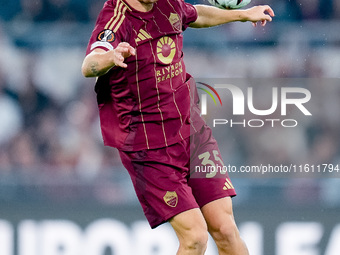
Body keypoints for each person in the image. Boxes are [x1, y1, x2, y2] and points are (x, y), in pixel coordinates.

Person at [82, 0, 274, 254]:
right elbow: (89, 65)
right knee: (195, 236)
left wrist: (241, 15)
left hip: (191, 131)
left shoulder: (168, 3)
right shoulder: (116, 18)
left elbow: (196, 14)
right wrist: (110, 57)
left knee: (225, 229)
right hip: (149, 147)